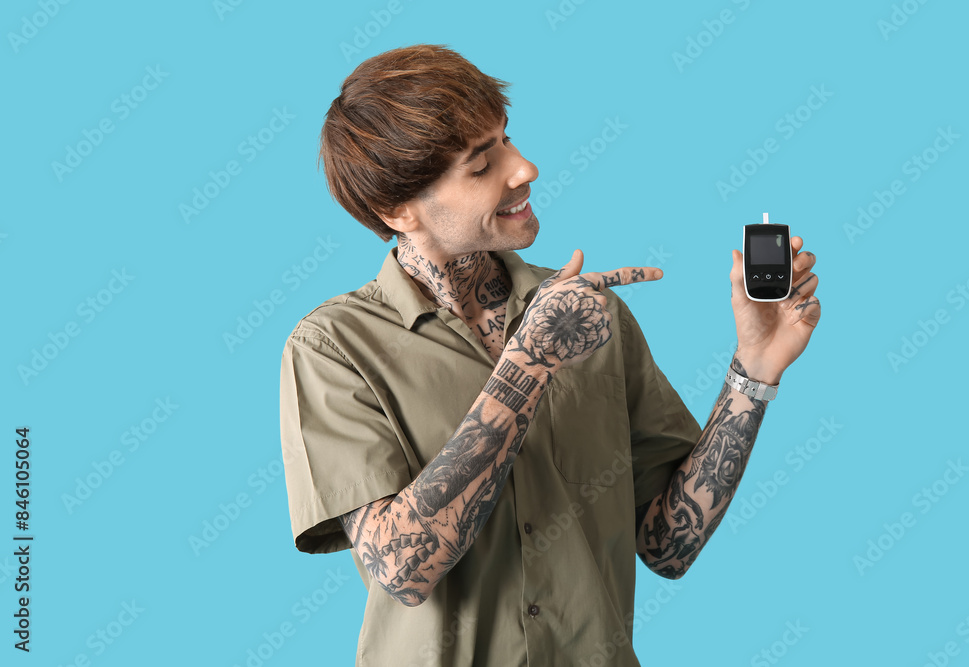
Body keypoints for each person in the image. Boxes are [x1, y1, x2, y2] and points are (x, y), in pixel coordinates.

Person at [278, 44, 821, 667]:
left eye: (508, 140)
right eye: (482, 166)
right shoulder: (332, 347)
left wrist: (753, 371)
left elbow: (669, 544)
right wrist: (528, 363)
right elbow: (402, 568)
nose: (525, 168)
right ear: (397, 210)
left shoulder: (590, 315)